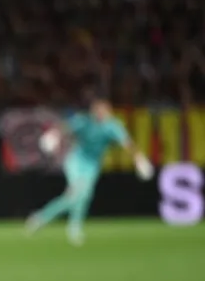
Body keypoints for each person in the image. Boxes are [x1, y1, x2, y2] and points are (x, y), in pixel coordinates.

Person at [26, 98, 154, 245]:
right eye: (99, 111)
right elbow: (65, 127)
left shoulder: (113, 126)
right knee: (76, 193)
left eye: (105, 111)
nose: (102, 114)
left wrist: (139, 159)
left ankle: (52, 221)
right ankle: (60, 224)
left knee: (82, 196)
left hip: (92, 165)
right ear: (94, 112)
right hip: (76, 160)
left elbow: (127, 143)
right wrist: (53, 136)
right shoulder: (84, 121)